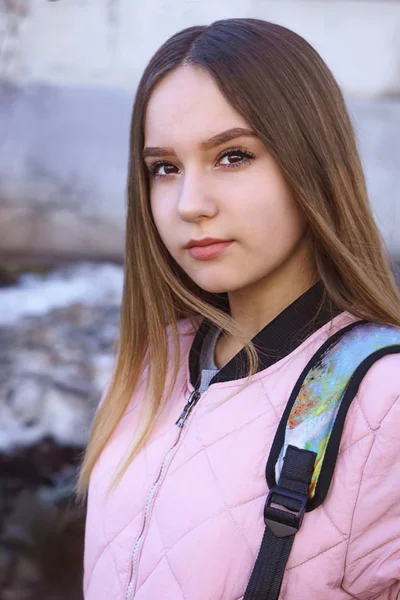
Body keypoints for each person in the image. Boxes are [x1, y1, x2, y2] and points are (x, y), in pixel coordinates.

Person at [79, 18, 400, 600]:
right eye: (165, 168)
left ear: (313, 164)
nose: (189, 204)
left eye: (232, 156)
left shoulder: (386, 400)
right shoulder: (150, 366)